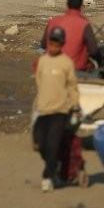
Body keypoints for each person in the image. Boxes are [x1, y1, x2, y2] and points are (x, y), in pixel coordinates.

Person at [34, 27, 80, 191]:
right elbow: (39, 81)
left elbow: (72, 86)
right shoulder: (43, 61)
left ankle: (47, 177)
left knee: (53, 145)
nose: (53, 47)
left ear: (62, 44)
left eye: (57, 44)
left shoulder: (66, 62)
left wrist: (74, 105)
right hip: (43, 109)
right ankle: (55, 165)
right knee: (40, 144)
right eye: (51, 43)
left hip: (60, 110)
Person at [43, 0, 101, 72]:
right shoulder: (84, 24)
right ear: (81, 6)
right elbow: (94, 51)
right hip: (75, 68)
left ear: (67, 4)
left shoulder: (53, 21)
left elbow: (43, 44)